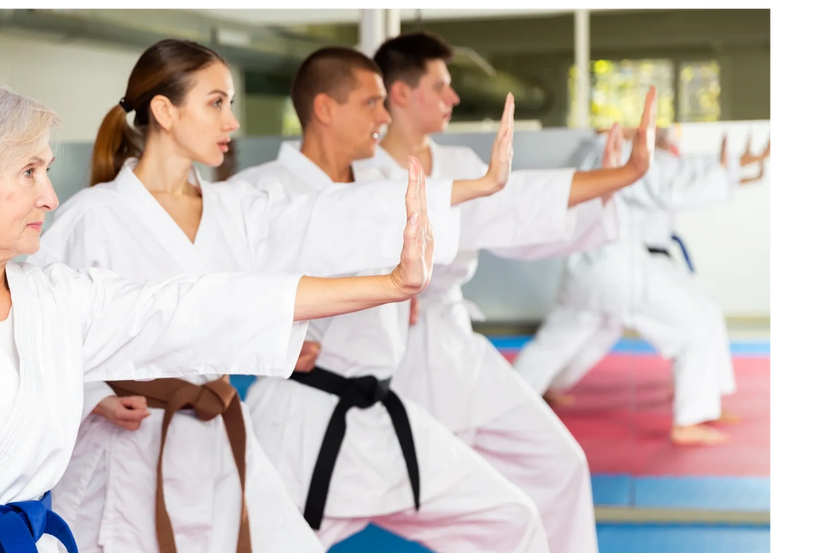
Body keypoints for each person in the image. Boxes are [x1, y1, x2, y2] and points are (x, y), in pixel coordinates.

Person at [0, 79, 438, 553]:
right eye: (29, 172)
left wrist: (387, 283)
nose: (50, 196)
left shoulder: (58, 299)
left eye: (46, 170)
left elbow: (195, 305)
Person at [27, 38, 504, 553]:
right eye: (216, 103)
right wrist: (94, 395)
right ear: (165, 111)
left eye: (230, 103)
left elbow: (328, 216)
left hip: (218, 436)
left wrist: (465, 188)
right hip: (130, 448)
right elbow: (34, 321)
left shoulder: (237, 208)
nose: (231, 121)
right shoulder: (93, 216)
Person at [232, 44, 646, 553]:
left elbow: (500, 206)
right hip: (301, 420)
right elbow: (207, 296)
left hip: (383, 409)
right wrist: (268, 339)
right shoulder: (259, 191)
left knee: (511, 518)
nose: (383, 117)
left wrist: (610, 178)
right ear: (325, 108)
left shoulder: (383, 183)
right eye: (371, 103)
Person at [368, 32, 656, 553]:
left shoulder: (458, 163)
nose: (454, 97)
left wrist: (604, 185)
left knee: (561, 464)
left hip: (458, 345)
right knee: (447, 508)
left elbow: (514, 215)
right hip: (392, 358)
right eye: (441, 86)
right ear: (402, 93)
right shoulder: (363, 173)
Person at [512, 128, 772, 446]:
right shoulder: (624, 154)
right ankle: (689, 420)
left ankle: (521, 395)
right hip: (618, 268)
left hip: (586, 268)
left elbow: (682, 169)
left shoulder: (601, 151)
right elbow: (668, 188)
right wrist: (724, 171)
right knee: (695, 325)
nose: (666, 140)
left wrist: (734, 164)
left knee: (565, 338)